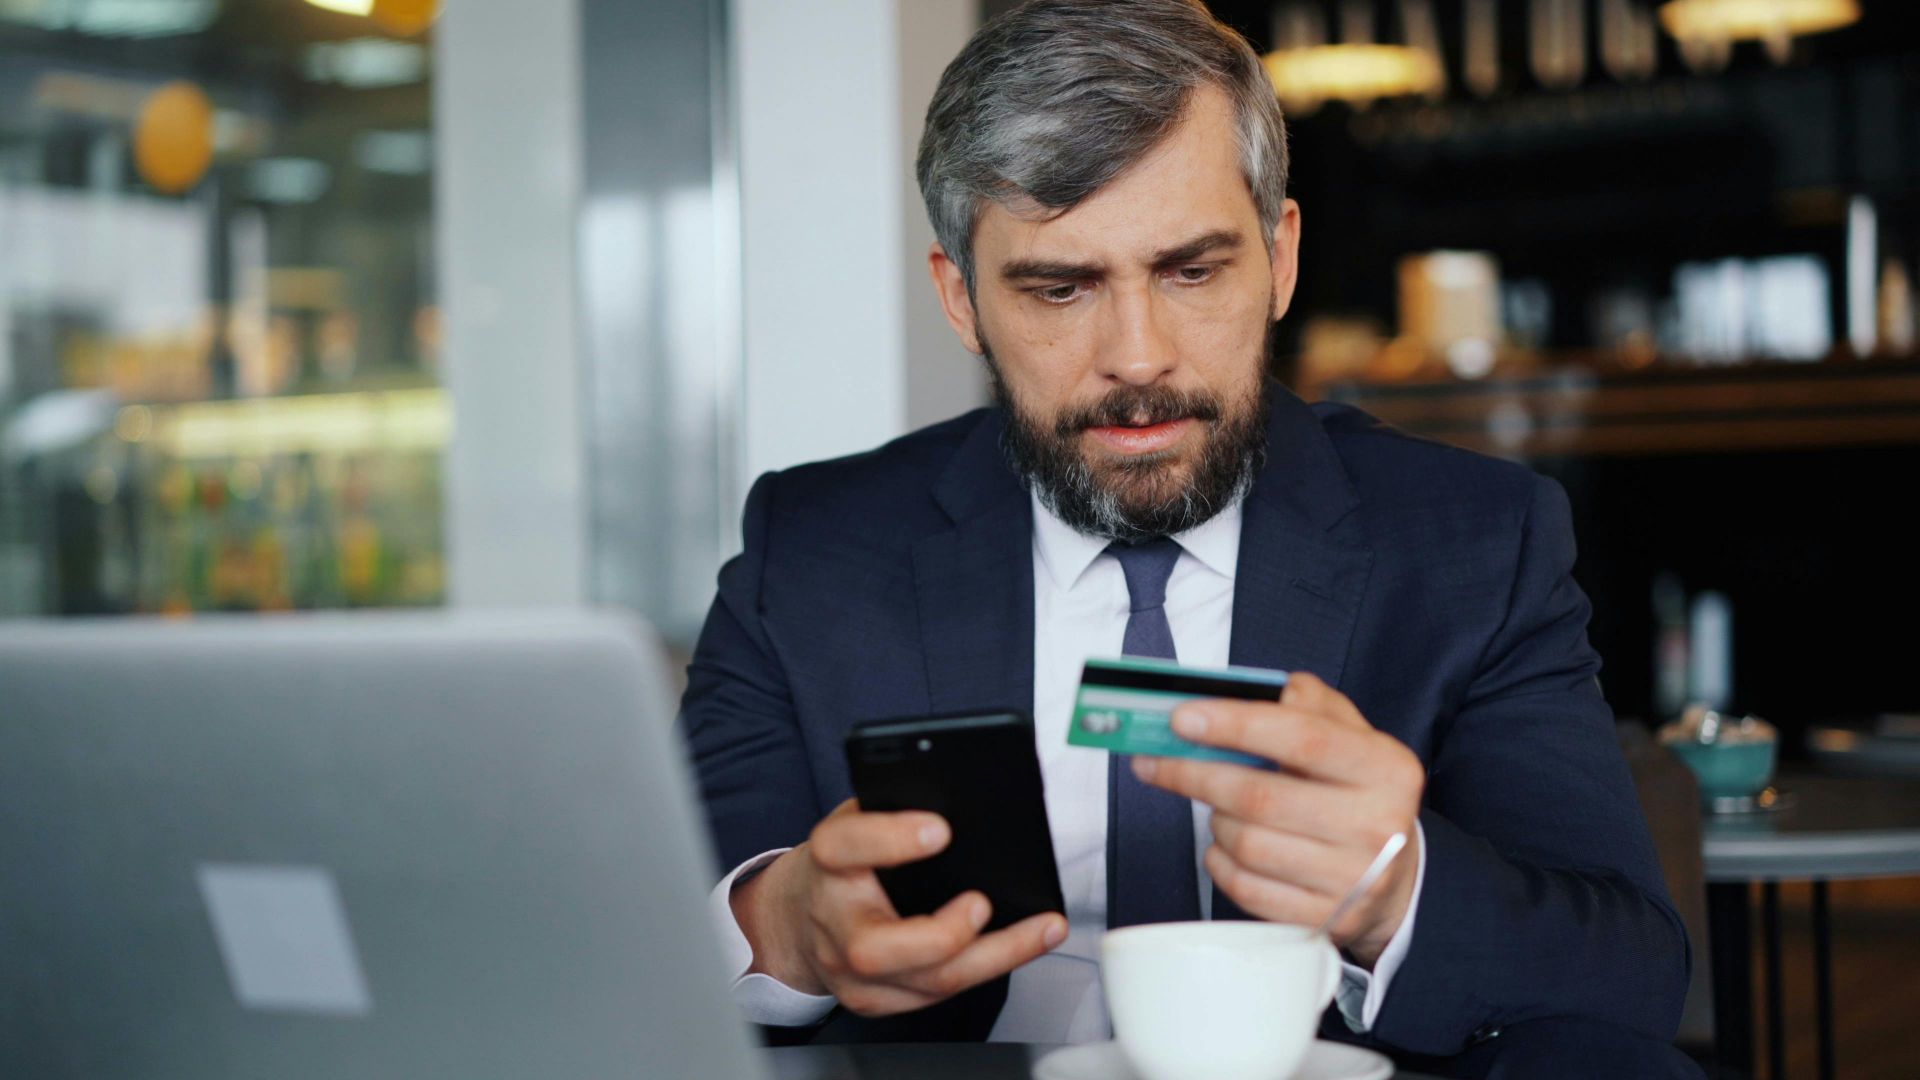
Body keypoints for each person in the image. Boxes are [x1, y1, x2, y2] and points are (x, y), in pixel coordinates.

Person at [679, 1, 1697, 1075]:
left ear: (1281, 259)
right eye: (1060, 289)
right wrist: (784, 926)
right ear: (961, 298)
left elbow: (1624, 979)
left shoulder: (1476, 545)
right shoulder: (813, 551)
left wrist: (1396, 888)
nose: (1138, 356)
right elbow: (649, 916)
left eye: (1192, 272)